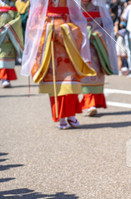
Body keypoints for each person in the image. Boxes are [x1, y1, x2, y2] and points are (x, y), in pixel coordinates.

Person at [21, 0, 96, 129]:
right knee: (56, 84)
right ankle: (61, 116)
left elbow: (77, 17)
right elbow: (34, 20)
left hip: (68, 42)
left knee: (71, 81)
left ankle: (71, 114)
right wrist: (47, 30)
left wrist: (66, 30)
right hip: (49, 43)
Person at [79, 0, 119, 117]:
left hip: (97, 47)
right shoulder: (76, 7)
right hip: (81, 46)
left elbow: (107, 26)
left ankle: (93, 104)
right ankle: (90, 104)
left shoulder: (98, 8)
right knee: (84, 75)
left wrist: (96, 34)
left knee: (96, 75)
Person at [0, 0, 23, 89]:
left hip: (8, 35)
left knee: (6, 57)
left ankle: (5, 79)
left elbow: (17, 19)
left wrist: (9, 27)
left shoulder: (12, 4)